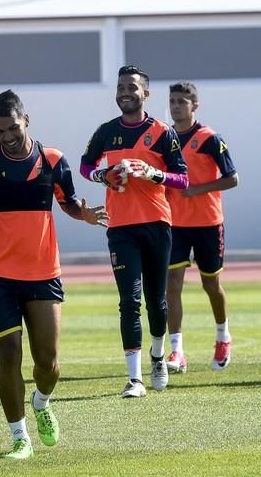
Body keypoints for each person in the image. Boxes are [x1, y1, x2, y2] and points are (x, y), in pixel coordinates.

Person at [0, 90, 108, 459]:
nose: (6, 136)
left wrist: (81, 213)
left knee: (48, 364)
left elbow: (67, 201)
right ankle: (19, 437)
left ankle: (41, 401)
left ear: (26, 120)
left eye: (12, 127)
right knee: (8, 354)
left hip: (42, 273)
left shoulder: (52, 160)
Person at [80, 65, 188, 398]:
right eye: (121, 87)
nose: (125, 92)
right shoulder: (106, 131)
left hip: (156, 223)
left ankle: (158, 356)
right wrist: (105, 175)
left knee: (156, 302)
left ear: (145, 93)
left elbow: (182, 179)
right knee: (129, 300)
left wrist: (154, 174)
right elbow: (86, 166)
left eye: (132, 87)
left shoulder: (162, 132)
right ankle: (134, 378)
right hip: (120, 228)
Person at [165, 82, 239, 373]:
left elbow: (232, 178)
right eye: (172, 101)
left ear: (195, 106)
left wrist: (199, 190)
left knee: (211, 285)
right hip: (175, 223)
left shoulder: (209, 138)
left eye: (182, 101)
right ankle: (176, 352)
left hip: (208, 223)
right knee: (172, 284)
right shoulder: (164, 137)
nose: (175, 106)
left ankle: (223, 336)